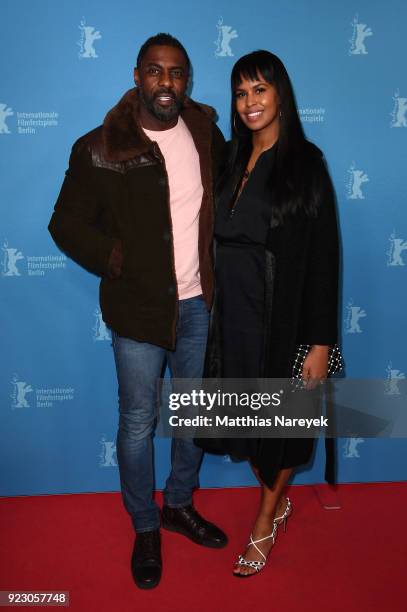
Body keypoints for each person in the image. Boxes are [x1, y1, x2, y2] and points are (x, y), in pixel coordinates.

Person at [48, 33, 227, 590]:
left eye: (176, 73)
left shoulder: (205, 133)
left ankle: (177, 505)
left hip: (199, 304)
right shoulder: (101, 145)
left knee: (193, 416)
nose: (166, 83)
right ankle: (145, 524)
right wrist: (116, 258)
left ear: (186, 80)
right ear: (136, 76)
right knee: (137, 423)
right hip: (138, 311)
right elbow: (65, 223)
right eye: (155, 71)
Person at [196, 50, 340, 577]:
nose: (250, 102)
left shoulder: (306, 164)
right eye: (241, 92)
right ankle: (276, 497)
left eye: (260, 89)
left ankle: (265, 518)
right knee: (250, 428)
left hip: (284, 323)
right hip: (231, 321)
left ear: (281, 95)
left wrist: (321, 343)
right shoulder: (232, 159)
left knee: (280, 428)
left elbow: (325, 258)